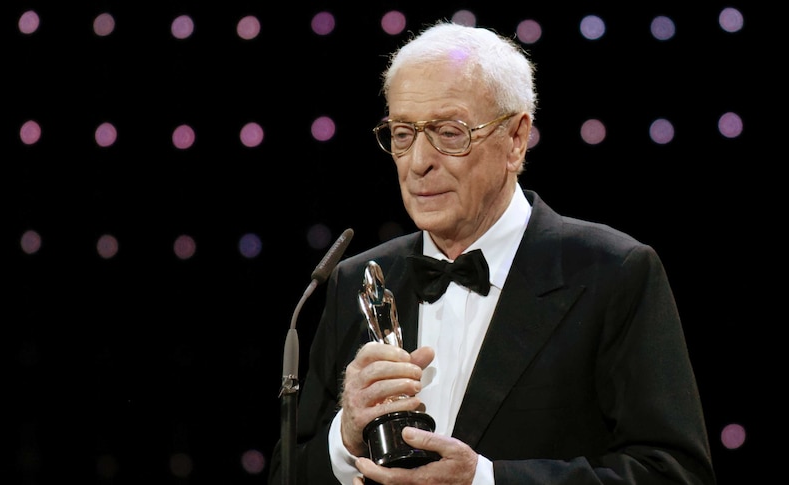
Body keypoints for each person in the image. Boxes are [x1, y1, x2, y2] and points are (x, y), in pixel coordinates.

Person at [268, 20, 715, 485]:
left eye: (448, 131)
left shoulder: (613, 273)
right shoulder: (356, 280)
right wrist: (345, 437)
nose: (419, 161)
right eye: (403, 133)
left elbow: (676, 474)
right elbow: (286, 474)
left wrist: (486, 480)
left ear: (516, 139)